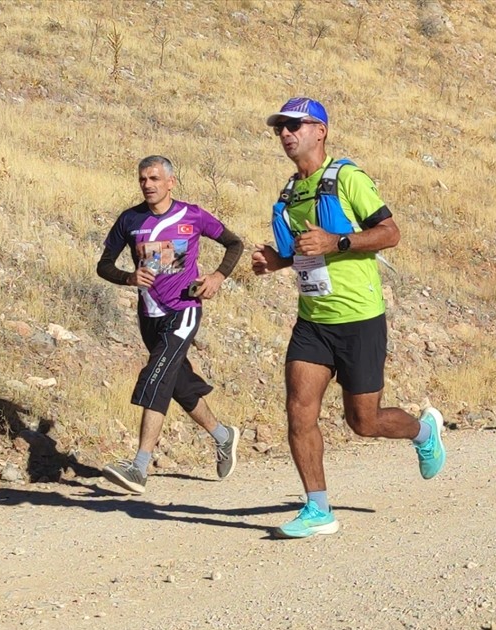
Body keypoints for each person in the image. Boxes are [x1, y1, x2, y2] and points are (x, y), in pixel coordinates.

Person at [251, 97, 446, 539]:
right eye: (280, 128)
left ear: (320, 131)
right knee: (299, 411)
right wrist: (277, 261)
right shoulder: (290, 192)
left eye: (295, 125)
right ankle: (318, 509)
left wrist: (336, 242)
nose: (285, 134)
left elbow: (390, 234)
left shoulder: (347, 178)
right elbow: (304, 251)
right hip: (313, 320)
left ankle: (423, 432)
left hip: (359, 318)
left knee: (364, 421)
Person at [95, 155, 244, 494]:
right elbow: (103, 265)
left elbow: (234, 243)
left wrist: (218, 277)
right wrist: (129, 277)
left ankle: (139, 467)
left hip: (183, 310)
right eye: (143, 179)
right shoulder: (129, 219)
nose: (147, 184)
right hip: (149, 315)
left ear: (170, 182)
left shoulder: (192, 215)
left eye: (154, 178)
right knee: (178, 384)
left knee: (157, 376)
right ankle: (223, 435)